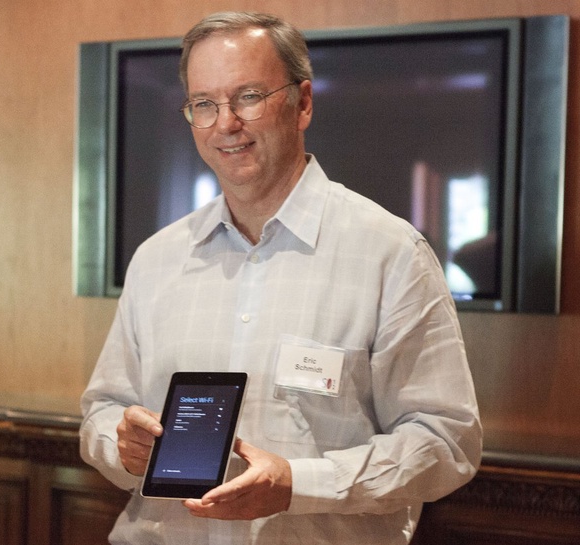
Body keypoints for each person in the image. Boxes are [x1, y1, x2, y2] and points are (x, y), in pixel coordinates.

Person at [80, 11, 482, 545]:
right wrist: (120, 444)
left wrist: (297, 484)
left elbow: (445, 442)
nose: (225, 123)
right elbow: (102, 414)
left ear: (303, 103)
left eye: (248, 97)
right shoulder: (157, 259)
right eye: (204, 104)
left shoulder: (391, 253)